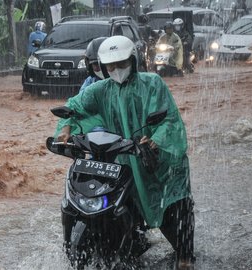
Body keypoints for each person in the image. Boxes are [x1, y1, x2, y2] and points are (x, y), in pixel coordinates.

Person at [55, 36, 195, 270]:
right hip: (124, 162)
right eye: (110, 66)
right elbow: (75, 106)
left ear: (133, 61)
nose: (116, 70)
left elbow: (169, 120)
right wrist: (66, 128)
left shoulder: (152, 84)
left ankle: (186, 258)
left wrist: (154, 141)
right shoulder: (100, 90)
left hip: (159, 164)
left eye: (121, 64)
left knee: (173, 211)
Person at [54, 37, 107, 136]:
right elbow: (76, 105)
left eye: (104, 64)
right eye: (96, 64)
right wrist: (65, 132)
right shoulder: (90, 83)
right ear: (89, 65)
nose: (101, 68)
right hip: (94, 136)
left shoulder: (130, 85)